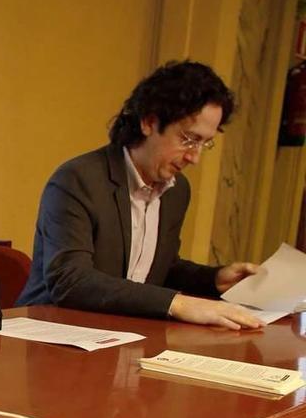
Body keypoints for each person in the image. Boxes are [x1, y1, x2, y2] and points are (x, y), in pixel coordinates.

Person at [17, 60, 264, 330]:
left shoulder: (177, 190)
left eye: (205, 143)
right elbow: (71, 281)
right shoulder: (78, 179)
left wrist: (214, 279)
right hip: (52, 333)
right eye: (188, 139)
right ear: (149, 122)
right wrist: (179, 304)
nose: (195, 157)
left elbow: (159, 269)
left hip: (122, 334)